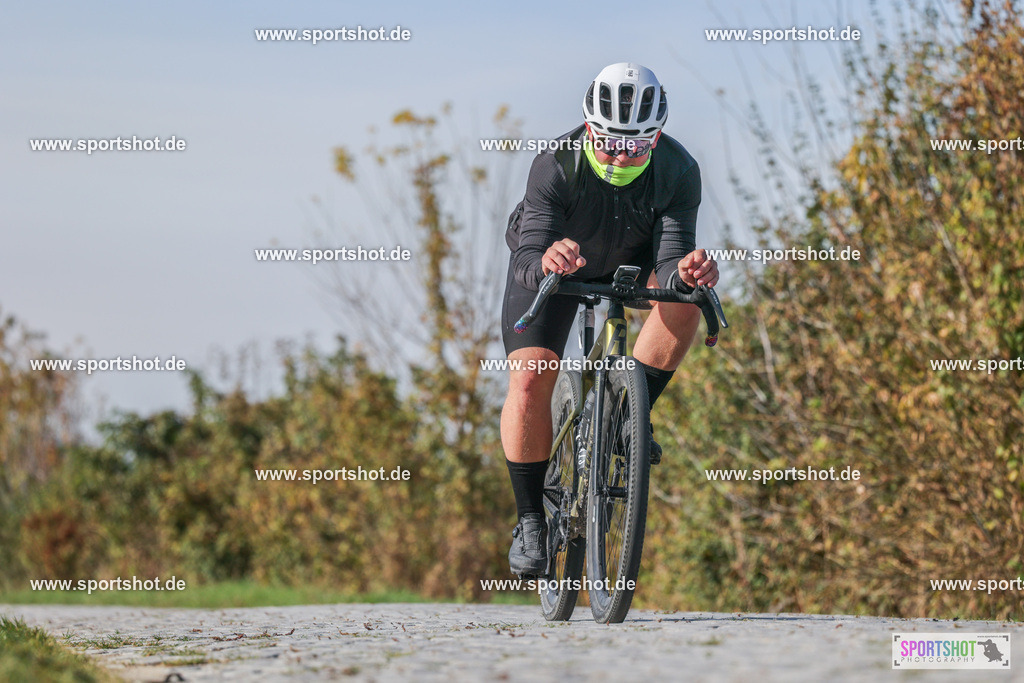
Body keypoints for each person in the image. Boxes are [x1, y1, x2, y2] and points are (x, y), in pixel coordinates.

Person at [501, 62, 720, 576]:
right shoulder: (555, 163)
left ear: (656, 137)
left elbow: (669, 259)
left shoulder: (678, 170)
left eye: (637, 146)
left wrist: (687, 272)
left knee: (685, 299)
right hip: (552, 271)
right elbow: (528, 253)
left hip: (630, 263)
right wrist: (546, 260)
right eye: (609, 144)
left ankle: (625, 416)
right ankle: (531, 520)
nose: (622, 156)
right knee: (531, 378)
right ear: (589, 129)